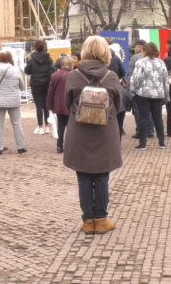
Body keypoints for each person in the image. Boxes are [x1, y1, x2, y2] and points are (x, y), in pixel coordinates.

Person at [63, 35, 122, 235]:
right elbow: (119, 105)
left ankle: (88, 220)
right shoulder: (111, 76)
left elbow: (67, 103)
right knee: (102, 176)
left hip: (79, 132)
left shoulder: (73, 76)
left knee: (83, 176)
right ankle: (101, 219)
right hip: (104, 132)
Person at [129, 42, 168, 150]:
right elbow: (165, 80)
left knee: (143, 118)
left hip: (143, 93)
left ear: (145, 51)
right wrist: (166, 93)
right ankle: (161, 143)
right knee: (158, 118)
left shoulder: (140, 62)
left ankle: (142, 144)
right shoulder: (161, 63)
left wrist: (132, 91)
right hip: (158, 94)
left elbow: (136, 78)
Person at [0, 51, 26, 155]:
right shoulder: (16, 70)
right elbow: (22, 85)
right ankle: (20, 147)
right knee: (16, 124)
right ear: (10, 59)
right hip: (13, 100)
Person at [24, 40, 54, 135]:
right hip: (46, 83)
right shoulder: (49, 59)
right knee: (46, 105)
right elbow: (52, 70)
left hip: (35, 83)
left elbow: (27, 71)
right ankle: (47, 126)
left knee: (38, 105)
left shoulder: (31, 60)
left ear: (35, 47)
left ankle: (40, 127)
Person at [47, 56, 73, 153]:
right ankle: (69, 145)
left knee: (60, 125)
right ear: (71, 64)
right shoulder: (73, 75)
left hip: (58, 104)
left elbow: (51, 92)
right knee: (70, 126)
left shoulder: (55, 75)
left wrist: (49, 105)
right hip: (70, 104)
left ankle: (59, 145)